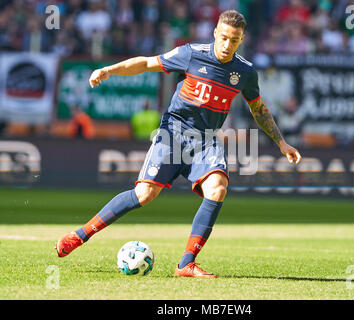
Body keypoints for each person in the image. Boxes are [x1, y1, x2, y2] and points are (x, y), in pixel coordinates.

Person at [56, 10, 302, 278]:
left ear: (241, 39)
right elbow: (147, 63)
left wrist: (282, 143)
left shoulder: (245, 71)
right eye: (223, 38)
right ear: (215, 33)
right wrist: (108, 70)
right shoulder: (191, 54)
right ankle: (79, 236)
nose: (227, 45)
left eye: (234, 40)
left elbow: (259, 109)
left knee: (218, 188)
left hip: (206, 140)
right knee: (144, 195)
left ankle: (186, 263)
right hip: (173, 133)